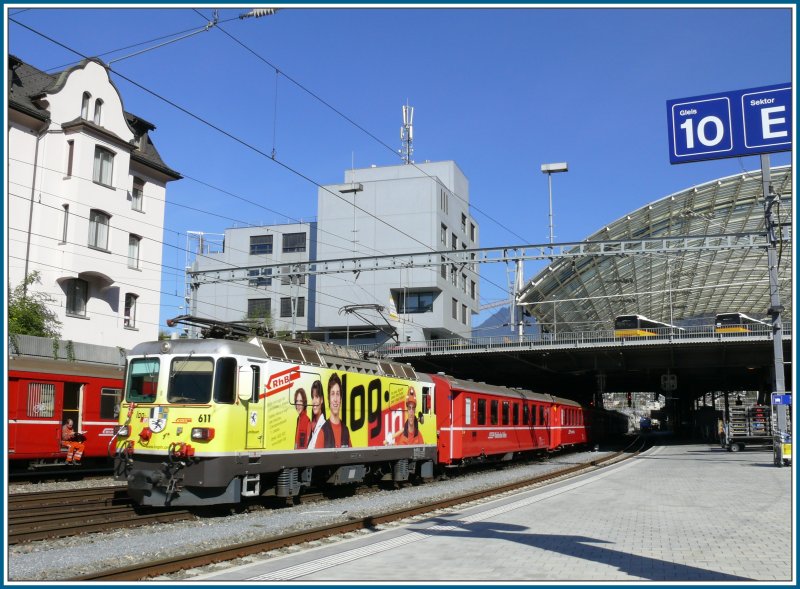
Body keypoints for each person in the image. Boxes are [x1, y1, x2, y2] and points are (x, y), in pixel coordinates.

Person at [315, 373, 351, 448]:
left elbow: (351, 455)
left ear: (340, 398)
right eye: (332, 394)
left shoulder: (346, 431)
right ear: (329, 398)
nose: (335, 399)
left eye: (338, 394)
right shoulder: (322, 432)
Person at [307, 380, 326, 448]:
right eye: (312, 397)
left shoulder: (324, 426)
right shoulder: (311, 426)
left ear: (321, 400)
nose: (314, 401)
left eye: (316, 397)